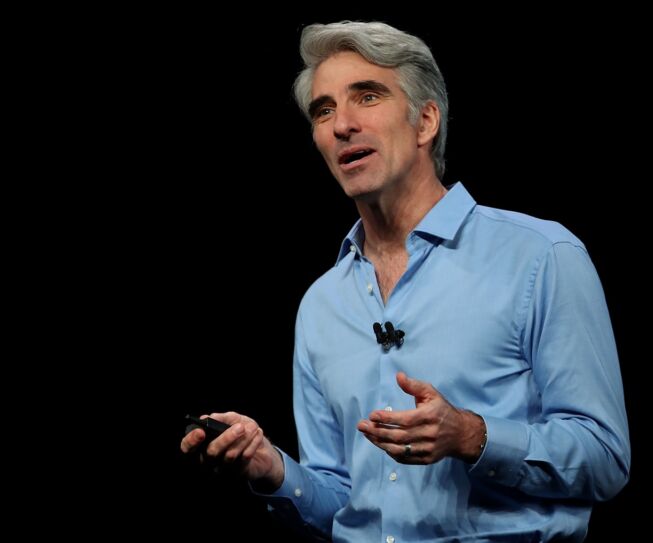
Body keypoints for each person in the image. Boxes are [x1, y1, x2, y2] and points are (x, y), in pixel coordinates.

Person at [181, 20, 630, 542]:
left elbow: (604, 457)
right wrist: (272, 469)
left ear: (425, 121)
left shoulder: (540, 257)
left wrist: (474, 437)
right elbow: (343, 501)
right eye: (323, 110)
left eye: (366, 97)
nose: (341, 125)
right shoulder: (322, 304)